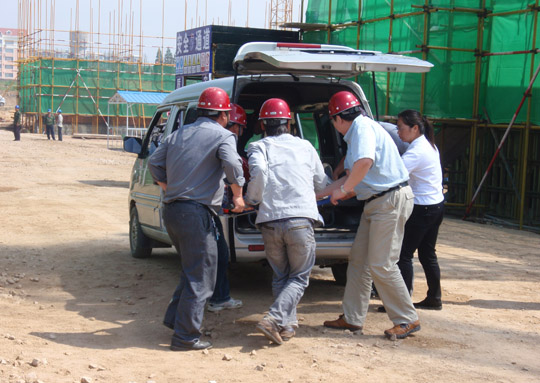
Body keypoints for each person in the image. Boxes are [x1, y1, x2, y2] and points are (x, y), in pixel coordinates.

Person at [148, 87, 245, 351]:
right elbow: (234, 166)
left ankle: (175, 320)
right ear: (223, 115)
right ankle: (185, 337)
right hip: (195, 214)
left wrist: (170, 188)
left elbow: (154, 163)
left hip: (173, 212)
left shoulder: (178, 134)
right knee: (202, 275)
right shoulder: (223, 136)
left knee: (192, 269)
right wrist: (238, 196)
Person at [319, 91, 420, 340]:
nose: (334, 126)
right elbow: (349, 176)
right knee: (359, 261)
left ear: (338, 118)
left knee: (382, 264)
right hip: (376, 202)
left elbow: (363, 163)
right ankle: (352, 319)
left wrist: (343, 191)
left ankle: (407, 318)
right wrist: (317, 196)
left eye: (332, 120)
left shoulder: (362, 128)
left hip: (389, 201)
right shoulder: (358, 134)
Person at [245, 98, 329, 345]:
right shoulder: (305, 147)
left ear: (262, 125)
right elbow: (321, 183)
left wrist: (252, 198)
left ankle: (288, 325)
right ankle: (274, 319)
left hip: (270, 221)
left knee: (281, 276)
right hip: (301, 221)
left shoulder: (258, 147)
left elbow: (258, 173)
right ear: (290, 122)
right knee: (300, 277)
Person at [395, 109, 444, 310]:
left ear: (415, 128)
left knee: (403, 254)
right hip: (436, 205)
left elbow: (394, 173)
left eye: (400, 128)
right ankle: (434, 297)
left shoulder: (417, 151)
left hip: (423, 208)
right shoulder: (428, 145)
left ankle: (402, 303)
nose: (398, 132)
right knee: (427, 254)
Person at [207, 103, 247, 313]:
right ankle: (216, 298)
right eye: (241, 128)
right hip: (208, 208)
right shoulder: (226, 142)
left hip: (203, 207)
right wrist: (239, 197)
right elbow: (232, 170)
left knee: (218, 252)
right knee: (217, 253)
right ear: (234, 127)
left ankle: (219, 296)